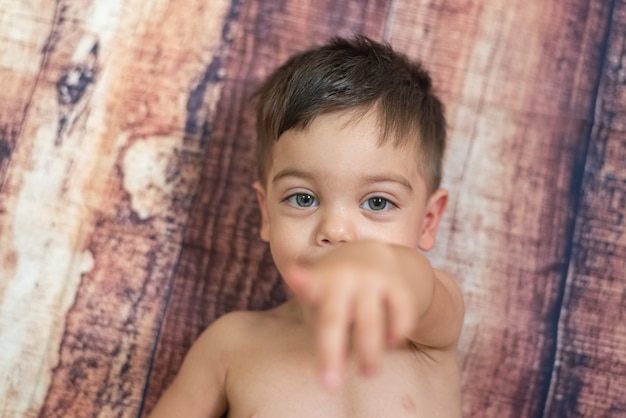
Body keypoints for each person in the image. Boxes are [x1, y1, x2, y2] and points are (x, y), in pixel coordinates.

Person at [149, 34, 465, 418]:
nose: (336, 230)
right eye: (303, 198)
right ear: (267, 213)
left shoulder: (425, 332)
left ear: (428, 221)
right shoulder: (232, 345)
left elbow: (421, 291)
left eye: (378, 202)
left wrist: (386, 267)